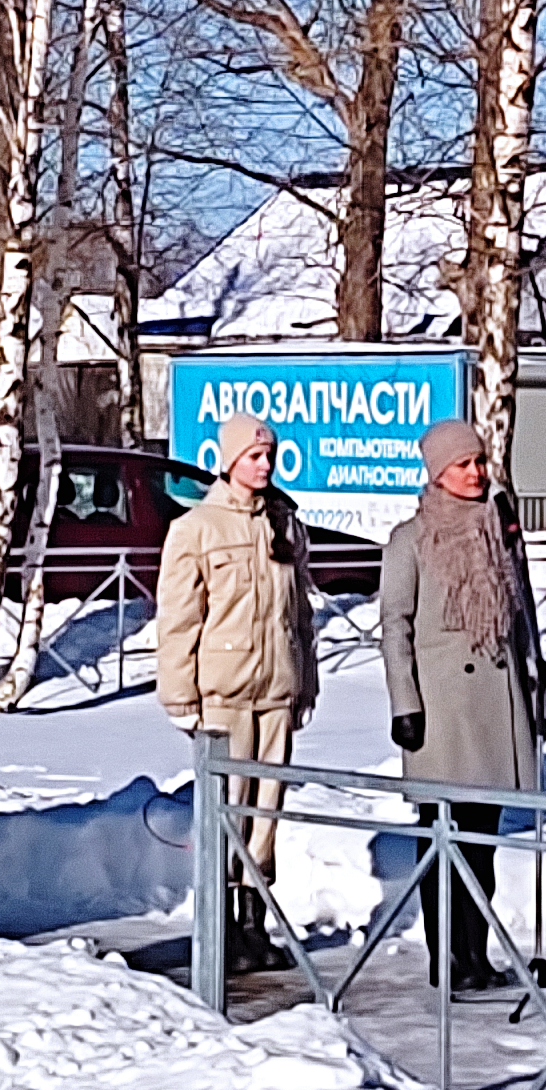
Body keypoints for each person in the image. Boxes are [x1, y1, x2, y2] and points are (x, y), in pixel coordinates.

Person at [380, 416, 545, 993]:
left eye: (478, 462)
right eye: (462, 465)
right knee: (442, 839)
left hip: (497, 703)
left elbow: (520, 617)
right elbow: (394, 625)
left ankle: (475, 954)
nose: (475, 473)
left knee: (482, 840)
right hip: (442, 710)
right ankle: (444, 957)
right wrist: (406, 701)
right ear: (437, 473)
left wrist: (535, 688)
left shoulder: (500, 531)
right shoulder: (412, 539)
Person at [159, 413, 320, 974]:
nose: (265, 465)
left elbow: (300, 613)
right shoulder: (197, 528)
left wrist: (307, 681)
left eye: (270, 455)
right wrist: (180, 695)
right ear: (229, 461)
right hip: (222, 695)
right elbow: (179, 619)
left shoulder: (284, 521)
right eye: (254, 456)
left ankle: (255, 923)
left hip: (277, 689)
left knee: (266, 814)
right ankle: (220, 927)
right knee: (228, 811)